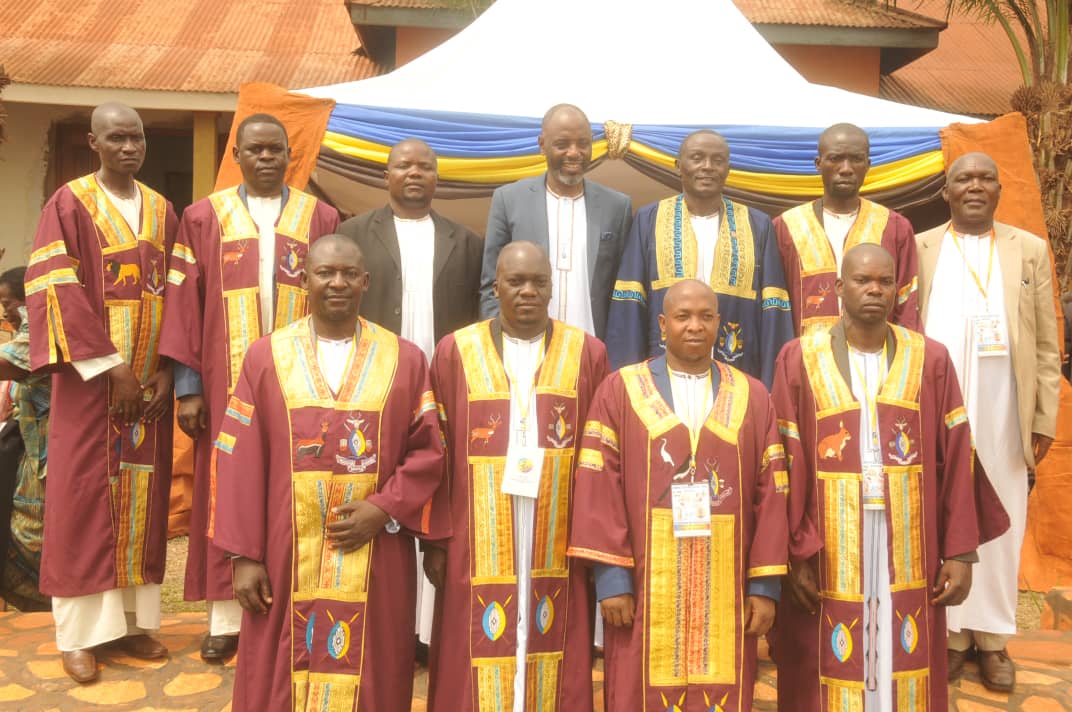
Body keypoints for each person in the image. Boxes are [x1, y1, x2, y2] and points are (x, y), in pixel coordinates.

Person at [209, 235, 448, 712]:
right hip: (284, 551)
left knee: (376, 664)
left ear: (366, 281)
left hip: (376, 550)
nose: (337, 283)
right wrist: (243, 556)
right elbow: (238, 457)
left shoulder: (404, 359)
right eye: (325, 273)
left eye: (348, 274)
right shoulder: (266, 357)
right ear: (304, 280)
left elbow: (428, 451)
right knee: (279, 671)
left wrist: (383, 509)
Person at [770, 243, 1009, 711]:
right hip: (829, 538)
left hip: (909, 535)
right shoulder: (799, 358)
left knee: (902, 642)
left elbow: (957, 453)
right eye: (863, 281)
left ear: (898, 289)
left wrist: (960, 551)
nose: (875, 290)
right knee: (826, 647)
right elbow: (784, 460)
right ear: (839, 287)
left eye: (884, 281)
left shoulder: (930, 358)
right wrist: (794, 554)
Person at [160, 112, 339, 662]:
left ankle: (294, 608)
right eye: (254, 149)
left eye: (275, 150)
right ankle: (226, 619)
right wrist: (189, 386)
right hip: (224, 382)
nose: (265, 158)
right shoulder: (203, 217)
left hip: (300, 382)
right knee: (226, 489)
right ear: (235, 155)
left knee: (297, 484)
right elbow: (184, 304)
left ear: (290, 155)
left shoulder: (320, 217)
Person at [569, 279, 788, 711]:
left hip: (725, 589)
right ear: (662, 323)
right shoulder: (620, 390)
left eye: (706, 317)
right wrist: (612, 580)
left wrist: (764, 586)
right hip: (643, 589)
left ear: (719, 324)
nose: (695, 326)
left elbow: (772, 494)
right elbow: (599, 486)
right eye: (683, 317)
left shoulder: (753, 396)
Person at [25, 102, 177, 682]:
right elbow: (55, 287)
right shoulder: (69, 204)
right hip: (90, 387)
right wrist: (111, 367)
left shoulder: (162, 210)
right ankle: (81, 636)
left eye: (136, 137)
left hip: (149, 388)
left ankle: (132, 625)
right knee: (82, 502)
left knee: (143, 501)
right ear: (94, 142)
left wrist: (168, 368)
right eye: (116, 138)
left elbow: (180, 293)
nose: (129, 147)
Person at [426, 241, 607, 710]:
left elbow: (600, 458)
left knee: (553, 628)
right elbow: (435, 449)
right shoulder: (456, 351)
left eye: (538, 282)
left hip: (557, 530)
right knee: (475, 639)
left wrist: (593, 542)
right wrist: (436, 540)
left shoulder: (586, 352)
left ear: (552, 288)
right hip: (475, 529)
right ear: (495, 286)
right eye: (516, 281)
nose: (528, 291)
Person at [916, 152, 1060, 693]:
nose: (974, 186)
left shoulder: (1029, 249)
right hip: (938, 406)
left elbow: (1046, 342)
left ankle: (994, 638)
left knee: (1002, 516)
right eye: (963, 179)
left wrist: (1042, 416)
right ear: (946, 191)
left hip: (1005, 408)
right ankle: (953, 635)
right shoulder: (922, 248)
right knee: (944, 510)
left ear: (999, 189)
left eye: (985, 179)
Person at [338, 136, 483, 652]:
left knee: (438, 490)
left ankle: (427, 629)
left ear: (437, 177)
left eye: (425, 166)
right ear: (387, 175)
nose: (414, 173)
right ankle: (389, 624)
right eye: (404, 166)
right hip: (380, 388)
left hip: (443, 388)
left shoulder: (466, 242)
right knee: (386, 485)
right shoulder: (353, 233)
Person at [606, 130, 793, 385]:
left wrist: (772, 384)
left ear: (728, 169)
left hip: (738, 372)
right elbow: (629, 304)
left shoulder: (757, 225)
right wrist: (628, 383)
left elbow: (774, 310)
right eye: (697, 158)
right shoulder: (649, 220)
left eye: (718, 160)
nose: (707, 167)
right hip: (662, 374)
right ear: (678, 166)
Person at [480, 103, 632, 339]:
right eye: (562, 144)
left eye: (583, 144)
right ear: (542, 145)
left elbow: (625, 292)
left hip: (591, 346)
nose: (574, 153)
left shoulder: (617, 206)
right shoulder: (509, 200)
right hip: (525, 344)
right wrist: (496, 343)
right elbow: (491, 285)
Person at [773, 123, 920, 336]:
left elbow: (907, 305)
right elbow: (776, 310)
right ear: (818, 164)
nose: (846, 169)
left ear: (868, 164)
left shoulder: (894, 227)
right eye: (835, 158)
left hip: (877, 353)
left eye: (856, 159)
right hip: (806, 352)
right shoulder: (786, 227)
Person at [0, 267, 50, 612]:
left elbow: (12, 364)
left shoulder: (43, 329)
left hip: (50, 455)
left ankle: (56, 602)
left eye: (8, 303)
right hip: (27, 454)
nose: (5, 312)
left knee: (32, 533)